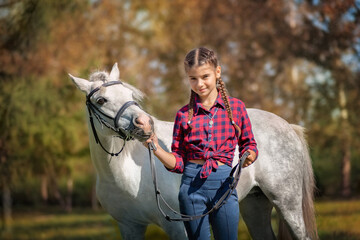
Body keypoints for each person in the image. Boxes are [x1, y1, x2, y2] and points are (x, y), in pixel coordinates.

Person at [144, 47, 258, 240]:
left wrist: (250, 155)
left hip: (224, 186)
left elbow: (249, 144)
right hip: (191, 188)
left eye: (205, 76)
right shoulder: (182, 115)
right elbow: (178, 163)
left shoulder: (237, 108)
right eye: (193, 78)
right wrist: (154, 146)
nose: (200, 84)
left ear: (218, 72)